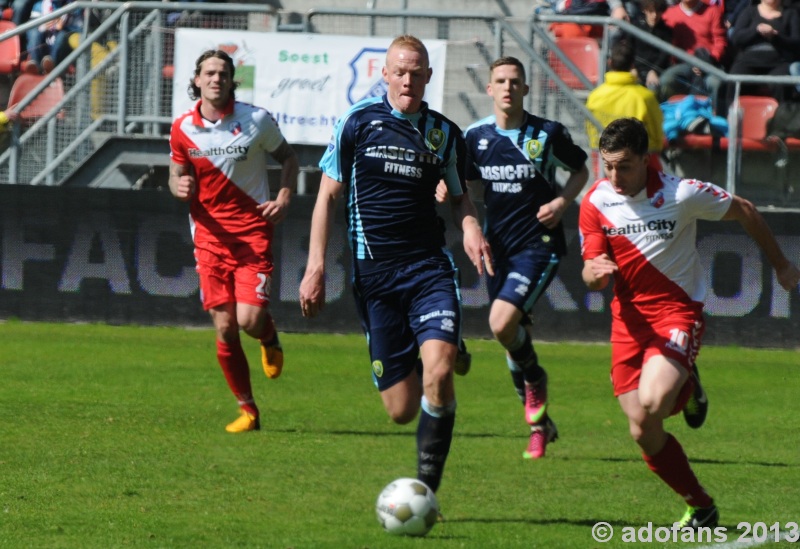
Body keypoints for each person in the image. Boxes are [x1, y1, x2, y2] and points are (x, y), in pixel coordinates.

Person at [579, 117, 800, 528]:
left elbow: (746, 211)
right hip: (627, 322)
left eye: (624, 165)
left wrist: (782, 265)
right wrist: (593, 273)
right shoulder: (595, 201)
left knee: (654, 402)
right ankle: (701, 504)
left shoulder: (681, 193)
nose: (614, 176)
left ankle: (686, 380)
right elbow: (591, 263)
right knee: (642, 429)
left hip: (675, 311)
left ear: (646, 160)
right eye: (607, 165)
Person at [298, 35, 492, 495]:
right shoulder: (357, 123)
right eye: (399, 71)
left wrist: (469, 227)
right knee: (401, 409)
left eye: (416, 71)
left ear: (428, 76)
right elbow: (327, 195)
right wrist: (316, 266)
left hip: (428, 269)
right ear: (384, 74)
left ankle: (427, 491)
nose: (407, 79)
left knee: (439, 376)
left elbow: (462, 197)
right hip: (375, 278)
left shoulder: (446, 133)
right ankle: (446, 348)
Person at [457, 56, 589, 459]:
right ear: (490, 89)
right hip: (499, 249)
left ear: (526, 89)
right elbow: (459, 181)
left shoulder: (547, 134)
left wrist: (563, 202)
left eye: (515, 81)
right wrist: (460, 209)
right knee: (512, 338)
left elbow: (581, 171)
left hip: (539, 245)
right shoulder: (475, 136)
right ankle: (539, 426)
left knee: (500, 323)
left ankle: (536, 380)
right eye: (501, 81)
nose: (508, 87)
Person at [168, 49, 299, 433]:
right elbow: (177, 175)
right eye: (209, 73)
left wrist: (285, 195)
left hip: (252, 234)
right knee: (225, 327)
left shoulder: (255, 120)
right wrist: (179, 186)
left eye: (223, 73)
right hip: (208, 237)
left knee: (249, 320)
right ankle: (248, 411)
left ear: (231, 81)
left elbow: (289, 158)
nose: (215, 79)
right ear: (196, 80)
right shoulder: (181, 128)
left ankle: (268, 333)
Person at [586, 39, 665, 169]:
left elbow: (591, 130)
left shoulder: (595, 95)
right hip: (641, 163)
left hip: (604, 161)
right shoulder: (645, 97)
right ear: (632, 65)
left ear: (610, 63)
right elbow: (657, 132)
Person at [726, 0, 800, 106]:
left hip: (778, 63)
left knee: (781, 83)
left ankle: (781, 119)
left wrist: (775, 37)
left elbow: (796, 43)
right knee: (735, 79)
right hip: (748, 61)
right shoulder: (748, 12)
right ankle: (730, 117)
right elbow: (736, 38)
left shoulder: (791, 14)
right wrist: (756, 31)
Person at [660, 0, 728, 114]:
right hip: (684, 64)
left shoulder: (712, 11)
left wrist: (709, 60)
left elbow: (720, 41)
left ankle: (716, 119)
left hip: (709, 63)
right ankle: (672, 115)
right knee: (666, 79)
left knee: (716, 83)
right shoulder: (669, 13)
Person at [630, 0, 673, 94]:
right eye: (651, 11)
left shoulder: (666, 32)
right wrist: (632, 67)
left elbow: (664, 56)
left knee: (652, 91)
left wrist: (654, 71)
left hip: (656, 72)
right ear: (644, 10)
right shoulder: (634, 27)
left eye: (658, 11)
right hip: (636, 70)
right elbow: (629, 48)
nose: (654, 15)